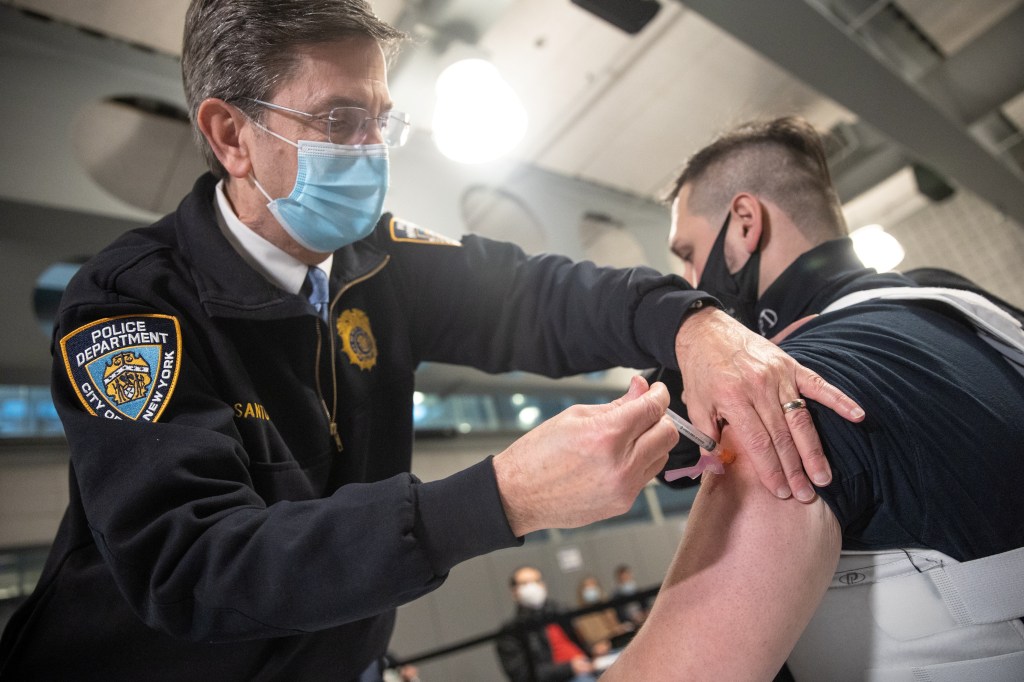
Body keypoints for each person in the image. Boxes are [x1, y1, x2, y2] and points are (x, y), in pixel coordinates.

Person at [0, 0, 865, 677]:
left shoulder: (382, 262)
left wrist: (691, 321)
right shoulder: (130, 307)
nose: (372, 150)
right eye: (339, 122)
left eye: (380, 117)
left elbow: (540, 296)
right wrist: (500, 499)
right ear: (231, 134)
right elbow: (191, 565)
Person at [602, 116, 1024, 681]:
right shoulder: (980, 318)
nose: (685, 278)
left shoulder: (788, 393)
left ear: (745, 224)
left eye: (688, 252)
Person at [496, 566, 598, 682]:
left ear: (544, 585)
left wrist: (594, 650)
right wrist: (570, 668)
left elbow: (583, 642)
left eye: (536, 581)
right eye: (525, 584)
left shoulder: (560, 612)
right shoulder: (511, 632)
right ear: (514, 592)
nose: (532, 587)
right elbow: (522, 676)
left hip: (590, 667)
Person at [573, 576, 633, 655]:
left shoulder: (607, 608)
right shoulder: (580, 617)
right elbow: (584, 642)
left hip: (616, 645)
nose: (591, 589)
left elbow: (616, 628)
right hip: (599, 652)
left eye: (593, 586)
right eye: (588, 587)